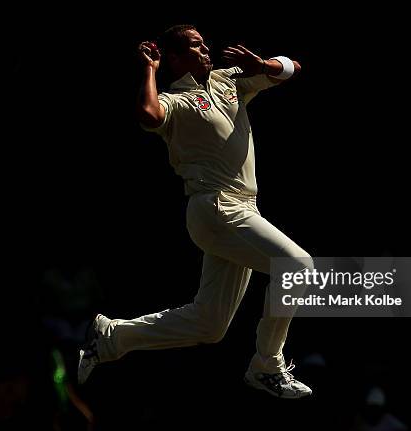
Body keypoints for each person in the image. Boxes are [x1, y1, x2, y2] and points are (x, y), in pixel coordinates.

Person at [78, 24, 314, 399]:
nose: (206, 48)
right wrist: (150, 69)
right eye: (194, 45)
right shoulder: (177, 100)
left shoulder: (228, 80)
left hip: (240, 210)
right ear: (173, 57)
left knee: (209, 325)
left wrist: (263, 63)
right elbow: (148, 115)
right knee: (298, 267)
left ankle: (114, 337)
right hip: (217, 206)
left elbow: (293, 69)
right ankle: (267, 366)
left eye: (205, 43)